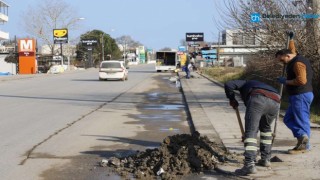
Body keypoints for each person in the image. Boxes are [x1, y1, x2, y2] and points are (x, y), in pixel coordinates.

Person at [224, 80, 280, 175]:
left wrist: (232, 99)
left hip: (258, 98)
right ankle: (265, 159)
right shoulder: (260, 84)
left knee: (251, 131)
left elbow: (228, 84)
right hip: (276, 101)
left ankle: (249, 165)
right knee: (266, 129)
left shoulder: (245, 83)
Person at [275, 46, 314, 154]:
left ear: (287, 56)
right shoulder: (293, 57)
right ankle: (302, 138)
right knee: (287, 119)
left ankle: (305, 145)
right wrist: (291, 39)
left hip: (301, 95)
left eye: (282, 60)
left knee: (302, 120)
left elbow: (301, 80)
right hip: (297, 95)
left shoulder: (298, 63)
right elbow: (292, 49)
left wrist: (286, 81)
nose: (282, 62)